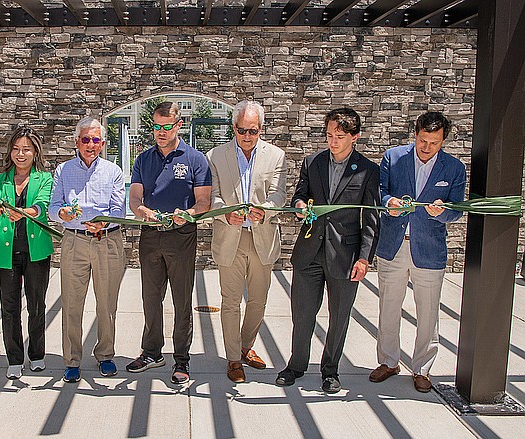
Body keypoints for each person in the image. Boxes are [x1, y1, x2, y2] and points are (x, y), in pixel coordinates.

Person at [277, 108, 379, 393]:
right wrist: (299, 206)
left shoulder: (369, 171)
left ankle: (330, 371)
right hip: (309, 251)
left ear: (354, 138)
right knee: (302, 313)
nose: (332, 141)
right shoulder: (313, 162)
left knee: (339, 316)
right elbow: (300, 194)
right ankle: (296, 365)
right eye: (329, 135)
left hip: (345, 257)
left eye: (339, 136)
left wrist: (364, 258)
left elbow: (371, 219)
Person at [369, 112, 466, 393]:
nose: (426, 147)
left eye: (434, 143)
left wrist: (443, 212)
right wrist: (390, 202)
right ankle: (388, 361)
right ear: (415, 135)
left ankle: (422, 368)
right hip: (393, 245)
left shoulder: (454, 169)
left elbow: (457, 209)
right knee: (388, 306)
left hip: (429, 249)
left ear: (443, 141)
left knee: (428, 312)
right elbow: (379, 192)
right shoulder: (393, 157)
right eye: (423, 140)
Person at [127, 101, 211, 384]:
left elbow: (204, 202)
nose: (161, 132)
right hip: (150, 236)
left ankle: (182, 360)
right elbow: (135, 198)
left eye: (167, 127)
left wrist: (186, 214)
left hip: (182, 236)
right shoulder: (143, 159)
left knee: (182, 301)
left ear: (179, 125)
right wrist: (143, 212)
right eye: (156, 127)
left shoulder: (195, 159)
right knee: (151, 298)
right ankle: (152, 353)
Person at [206, 100, 287, 383]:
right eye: (241, 130)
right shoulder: (215, 155)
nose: (247, 136)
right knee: (230, 302)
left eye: (252, 131)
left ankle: (245, 346)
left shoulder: (276, 156)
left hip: (262, 236)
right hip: (230, 237)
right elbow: (212, 197)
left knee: (258, 301)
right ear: (233, 128)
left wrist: (265, 209)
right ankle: (233, 359)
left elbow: (279, 196)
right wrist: (226, 214)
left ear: (261, 129)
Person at [49, 117, 126, 383]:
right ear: (76, 142)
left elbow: (119, 210)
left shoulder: (113, 171)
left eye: (95, 140)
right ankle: (71, 360)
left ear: (103, 143)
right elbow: (52, 207)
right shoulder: (63, 170)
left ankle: (105, 355)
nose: (90, 145)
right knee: (71, 303)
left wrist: (105, 222)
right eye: (85, 139)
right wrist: (60, 213)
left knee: (107, 304)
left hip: (107, 241)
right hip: (74, 240)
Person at [0, 127, 53, 380]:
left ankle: (37, 355)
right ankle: (14, 358)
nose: (20, 153)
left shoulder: (44, 178)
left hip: (36, 251)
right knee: (9, 306)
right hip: (7, 250)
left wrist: (26, 212)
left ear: (35, 151)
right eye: (16, 149)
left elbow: (42, 206)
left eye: (26, 149)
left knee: (36, 305)